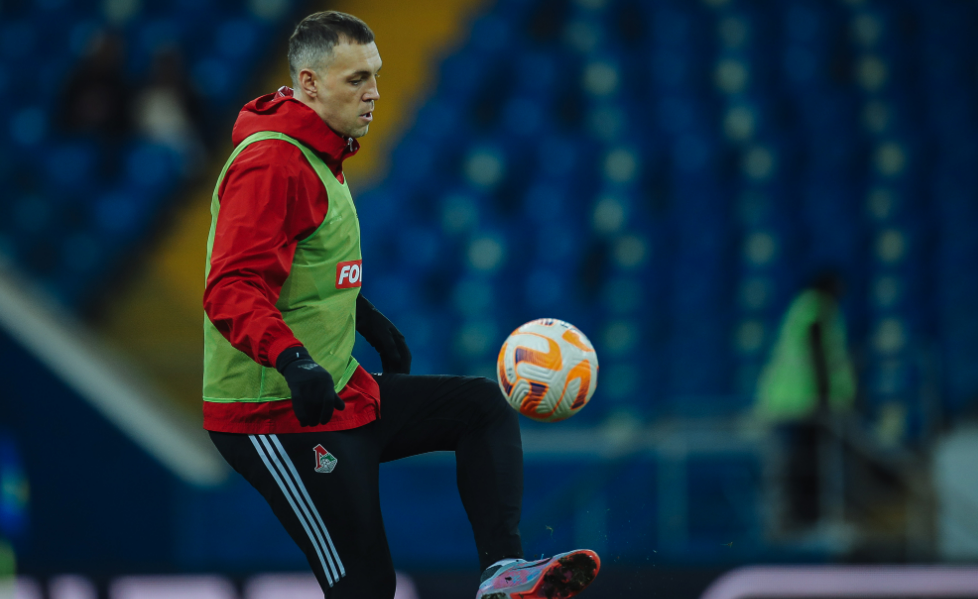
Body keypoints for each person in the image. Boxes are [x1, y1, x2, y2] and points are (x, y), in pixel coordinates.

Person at [201, 11, 600, 599]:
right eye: (356, 79)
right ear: (309, 84)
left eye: (376, 75)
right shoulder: (272, 162)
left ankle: (503, 573)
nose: (374, 93)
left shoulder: (318, 152)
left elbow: (300, 263)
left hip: (336, 391)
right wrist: (292, 359)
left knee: (481, 408)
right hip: (273, 413)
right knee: (365, 585)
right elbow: (230, 287)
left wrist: (365, 318)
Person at [754, 272, 857, 529]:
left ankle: (795, 517)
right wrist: (824, 396)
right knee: (806, 464)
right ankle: (803, 518)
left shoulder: (800, 308)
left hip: (788, 401)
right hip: (803, 403)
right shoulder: (816, 309)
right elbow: (817, 352)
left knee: (795, 464)